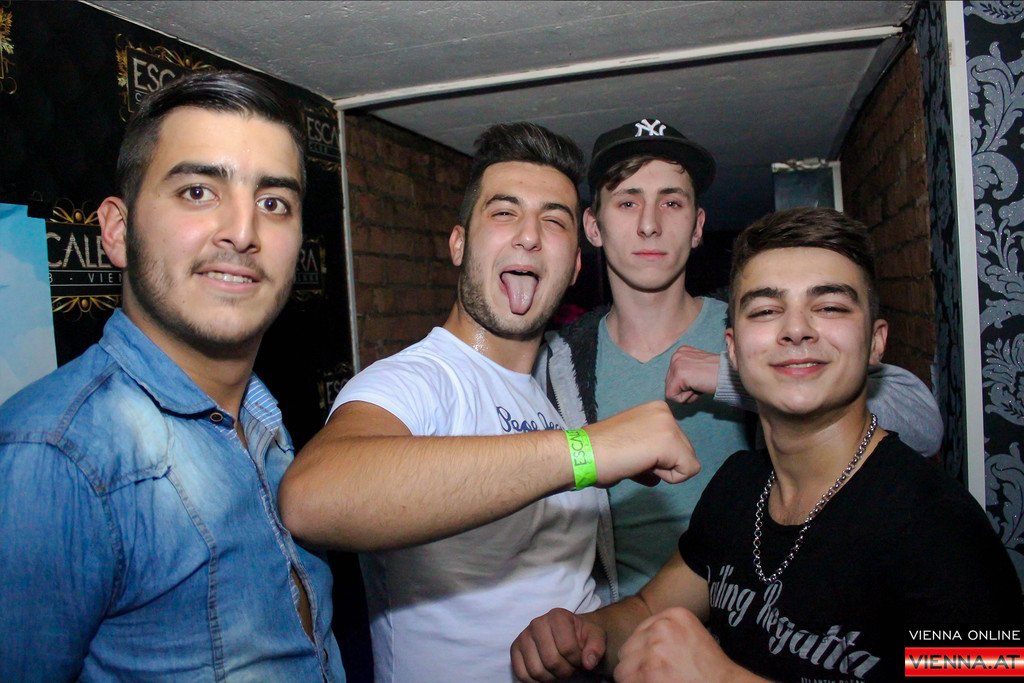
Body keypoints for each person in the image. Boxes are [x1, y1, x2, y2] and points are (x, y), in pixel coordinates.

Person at [512, 207, 1021, 682]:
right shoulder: (738, 486)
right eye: (766, 310)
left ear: (875, 342)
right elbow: (647, 611)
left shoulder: (941, 526)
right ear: (732, 350)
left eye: (829, 306)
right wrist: (583, 633)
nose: (796, 329)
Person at [279, 122, 700, 683]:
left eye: (554, 220)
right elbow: (312, 498)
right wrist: (587, 452)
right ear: (459, 245)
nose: (529, 236)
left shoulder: (550, 393)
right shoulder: (422, 379)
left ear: (576, 265)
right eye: (504, 212)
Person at [0, 71, 345, 681]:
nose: (243, 232)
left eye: (273, 203)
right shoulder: (56, 456)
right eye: (197, 192)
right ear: (117, 231)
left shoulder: (260, 417)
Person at [541, 117, 944, 596]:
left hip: (764, 618)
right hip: (621, 619)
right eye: (628, 202)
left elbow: (922, 425)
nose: (650, 224)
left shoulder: (760, 327)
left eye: (672, 202)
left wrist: (736, 377)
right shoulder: (559, 362)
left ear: (697, 226)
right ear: (593, 226)